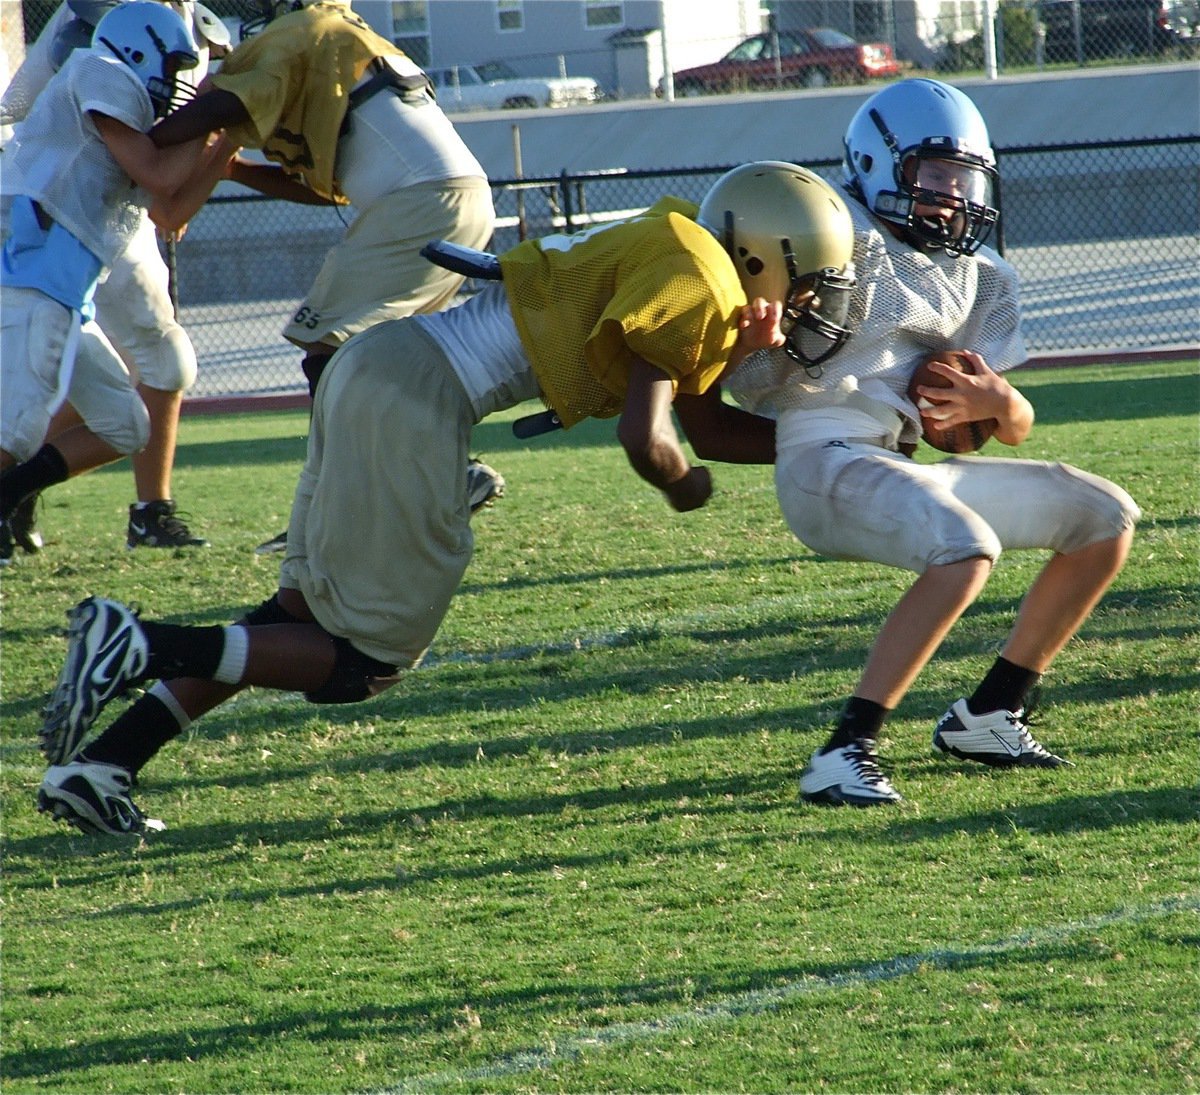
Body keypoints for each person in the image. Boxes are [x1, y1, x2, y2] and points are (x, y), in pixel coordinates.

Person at [33, 161, 859, 835]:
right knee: (367, 662)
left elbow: (706, 418)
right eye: (809, 279)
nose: (814, 299)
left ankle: (103, 762)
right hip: (418, 398)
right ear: (764, 257)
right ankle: (139, 642)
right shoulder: (706, 287)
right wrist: (687, 487)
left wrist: (821, 431)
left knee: (295, 614)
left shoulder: (678, 239)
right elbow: (655, 441)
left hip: (376, 365)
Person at [715, 79, 1140, 807]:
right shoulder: (829, 232)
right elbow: (745, 373)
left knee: (1104, 515)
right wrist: (759, 337)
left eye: (964, 179)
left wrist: (998, 400)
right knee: (965, 547)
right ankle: (845, 748)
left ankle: (991, 711)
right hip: (822, 453)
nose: (952, 195)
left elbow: (1007, 428)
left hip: (897, 459)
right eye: (935, 174)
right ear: (880, 165)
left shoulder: (978, 275)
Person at [148, 0, 504, 553]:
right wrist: (236, 167)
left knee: (323, 350)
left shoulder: (294, 32)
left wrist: (141, 137)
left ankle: (344, 510)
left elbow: (209, 113)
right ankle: (441, 475)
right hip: (462, 197)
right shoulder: (341, 39)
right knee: (386, 359)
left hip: (420, 202)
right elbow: (327, 190)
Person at [0, 2, 236, 565]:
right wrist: (207, 115)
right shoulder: (97, 70)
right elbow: (157, 173)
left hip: (65, 297)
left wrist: (224, 141)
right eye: (176, 66)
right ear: (138, 48)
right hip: (31, 283)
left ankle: (8, 497)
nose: (180, 83)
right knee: (14, 434)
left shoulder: (129, 120)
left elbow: (170, 211)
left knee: (125, 424)